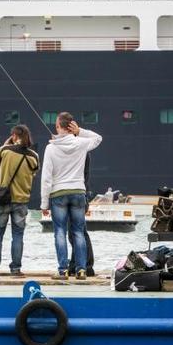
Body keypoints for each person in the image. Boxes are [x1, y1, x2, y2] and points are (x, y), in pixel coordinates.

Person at [41, 112, 102, 280]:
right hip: (78, 192)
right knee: (78, 232)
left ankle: (63, 270)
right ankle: (81, 270)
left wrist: (44, 203)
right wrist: (80, 131)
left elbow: (46, 177)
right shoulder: (81, 143)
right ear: (71, 127)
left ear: (57, 127)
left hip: (58, 193)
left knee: (59, 232)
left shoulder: (51, 148)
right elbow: (98, 138)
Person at [0, 125, 39, 277]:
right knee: (18, 235)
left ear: (14, 135)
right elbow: (34, 172)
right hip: (22, 200)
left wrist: (5, 145)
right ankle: (16, 269)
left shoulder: (5, 150)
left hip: (3, 198)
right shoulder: (33, 156)